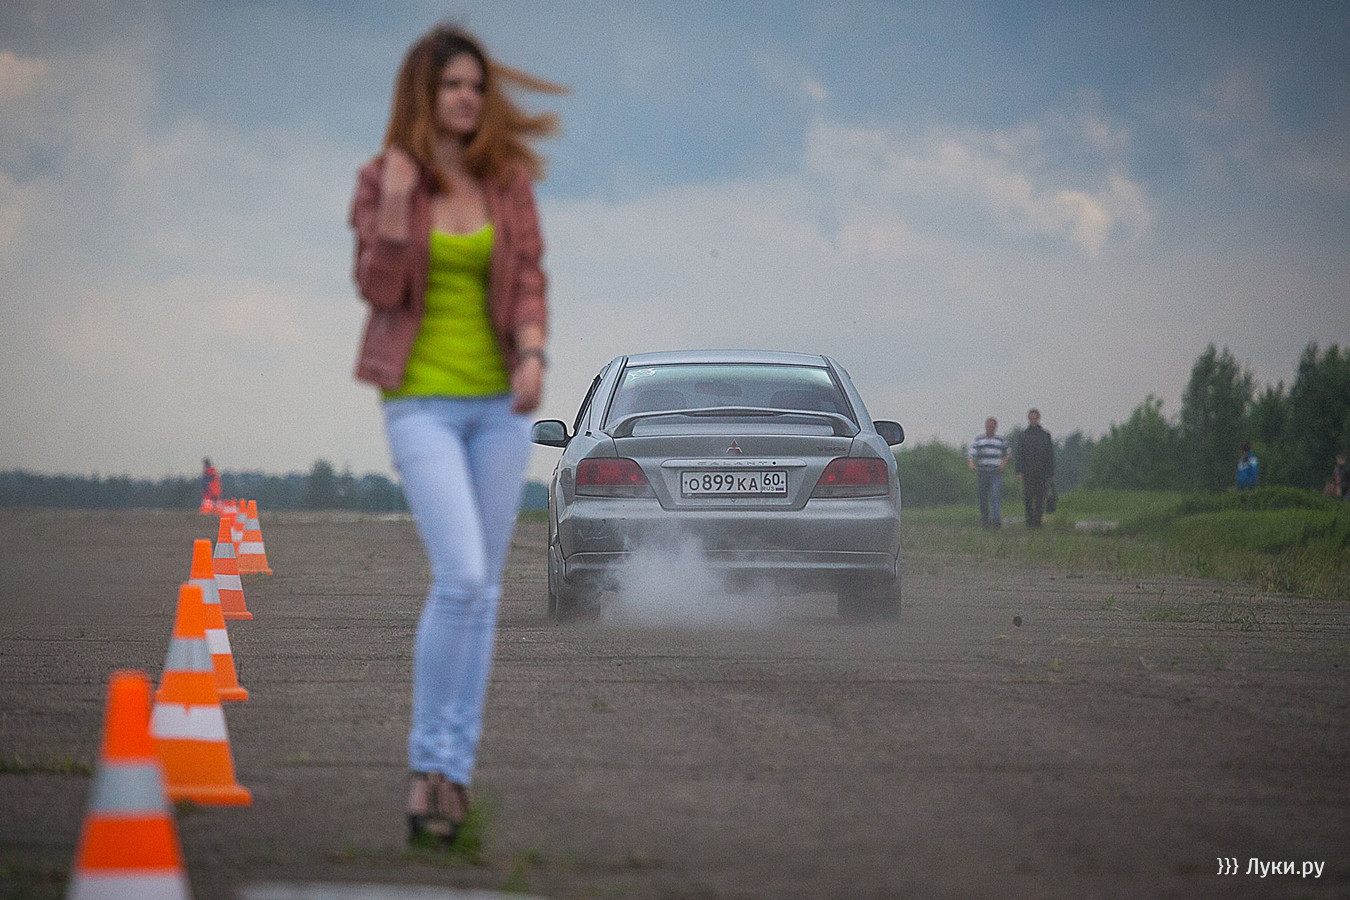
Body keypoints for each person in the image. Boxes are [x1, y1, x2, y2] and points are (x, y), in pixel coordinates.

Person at [348, 23, 564, 847]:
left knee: (487, 592)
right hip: (421, 404)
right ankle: (425, 764)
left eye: (476, 85)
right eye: (452, 86)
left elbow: (530, 277)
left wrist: (533, 354)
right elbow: (377, 287)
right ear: (424, 95)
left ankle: (455, 776)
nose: (468, 98)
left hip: (500, 407)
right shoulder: (383, 180)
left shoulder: (506, 181)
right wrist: (396, 208)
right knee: (462, 575)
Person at [1015, 408, 1055, 528]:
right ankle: (1029, 521)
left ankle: (1038, 521)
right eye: (1031, 418)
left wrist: (1051, 473)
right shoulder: (1023, 436)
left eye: (1035, 418)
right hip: (1028, 472)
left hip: (1042, 472)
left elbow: (1050, 455)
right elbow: (1019, 454)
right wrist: (1018, 471)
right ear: (1028, 419)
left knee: (1040, 497)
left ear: (1039, 419)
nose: (1033, 420)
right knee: (1028, 497)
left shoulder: (1045, 435)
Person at [967, 417, 1009, 528]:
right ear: (985, 426)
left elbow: (1008, 453)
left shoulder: (1000, 439)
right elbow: (972, 451)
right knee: (983, 497)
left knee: (995, 496)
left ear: (995, 427)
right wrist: (971, 462)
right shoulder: (979, 439)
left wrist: (1003, 463)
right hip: (982, 471)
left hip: (995, 472)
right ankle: (985, 520)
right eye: (988, 426)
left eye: (992, 426)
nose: (990, 428)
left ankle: (996, 520)